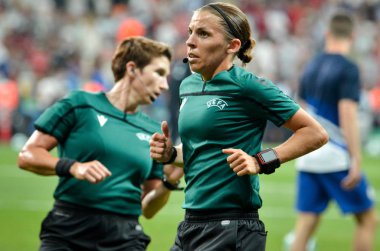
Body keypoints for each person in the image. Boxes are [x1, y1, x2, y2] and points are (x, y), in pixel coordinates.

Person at [149, 2, 329, 251]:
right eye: (190, 31)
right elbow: (198, 152)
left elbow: (315, 133)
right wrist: (170, 153)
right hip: (191, 223)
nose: (190, 41)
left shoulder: (248, 86)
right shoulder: (188, 85)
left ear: (232, 45)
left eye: (203, 34)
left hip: (233, 228)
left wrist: (261, 160)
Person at [17, 36, 184, 251]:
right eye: (159, 73)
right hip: (68, 230)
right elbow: (27, 155)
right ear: (132, 69)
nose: (164, 85)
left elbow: (147, 208)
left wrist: (168, 184)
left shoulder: (154, 131)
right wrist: (73, 167)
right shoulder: (79, 104)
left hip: (125, 238)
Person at [290, 12, 378, 251]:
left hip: (308, 154)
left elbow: (300, 109)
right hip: (335, 155)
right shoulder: (349, 68)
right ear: (352, 36)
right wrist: (356, 158)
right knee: (368, 220)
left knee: (306, 224)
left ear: (327, 33)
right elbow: (347, 113)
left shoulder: (311, 64)